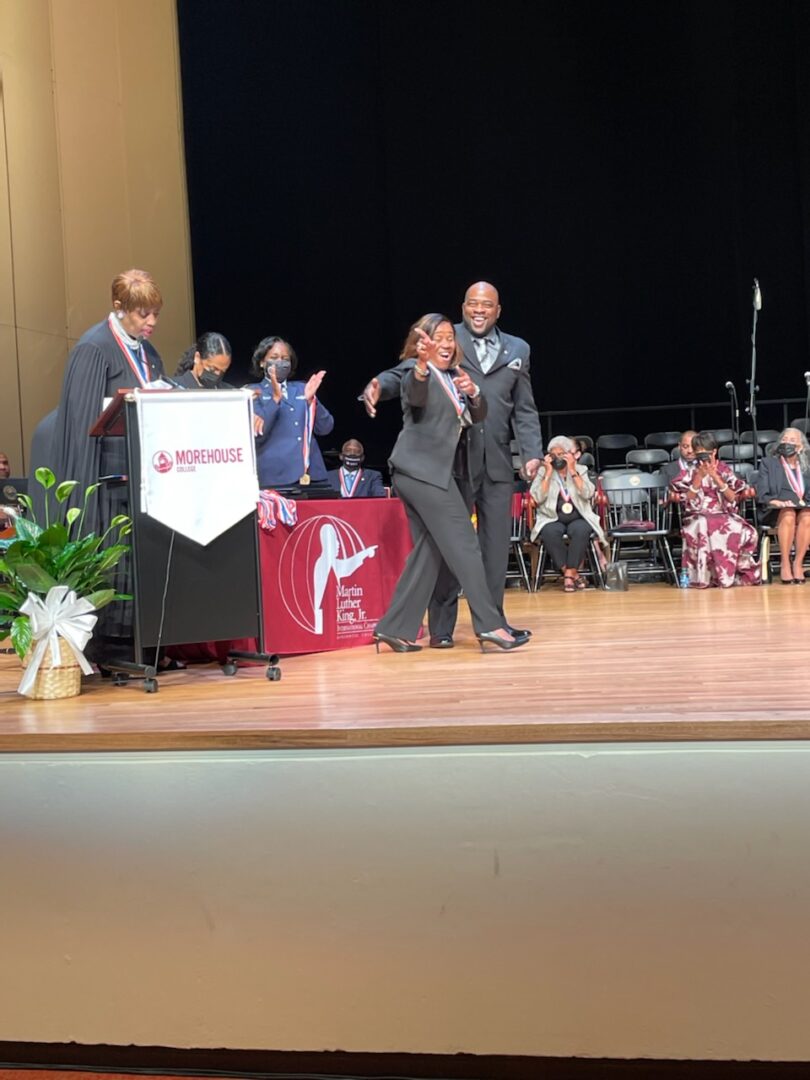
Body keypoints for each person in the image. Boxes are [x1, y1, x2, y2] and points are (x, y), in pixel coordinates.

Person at [363, 281, 542, 647]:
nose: (446, 343)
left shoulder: (509, 352)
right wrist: (376, 386)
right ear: (462, 308)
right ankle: (462, 628)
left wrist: (530, 451)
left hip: (484, 463)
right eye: (473, 304)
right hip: (442, 470)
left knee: (435, 548)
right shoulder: (432, 358)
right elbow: (405, 379)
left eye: (487, 304)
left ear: (498, 309)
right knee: (461, 546)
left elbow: (518, 409)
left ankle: (395, 628)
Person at [49, 268, 165, 659]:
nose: (150, 323)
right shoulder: (94, 348)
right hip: (106, 483)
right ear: (118, 307)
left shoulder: (147, 352)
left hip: (145, 477)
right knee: (114, 562)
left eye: (154, 314)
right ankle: (109, 646)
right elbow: (81, 427)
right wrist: (82, 499)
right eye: (141, 314)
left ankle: (145, 641)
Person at [670, 431, 760, 588]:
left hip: (724, 513)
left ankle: (732, 575)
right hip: (698, 515)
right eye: (699, 455)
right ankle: (705, 577)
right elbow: (687, 501)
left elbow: (733, 498)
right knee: (704, 524)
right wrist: (698, 479)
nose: (703, 459)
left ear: (714, 452)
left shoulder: (724, 470)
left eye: (706, 454)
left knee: (740, 528)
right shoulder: (689, 473)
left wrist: (716, 478)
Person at [246, 336, 334, 490]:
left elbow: (325, 428)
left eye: (285, 358)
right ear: (261, 362)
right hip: (276, 478)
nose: (280, 362)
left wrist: (311, 401)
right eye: (274, 357)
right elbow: (258, 435)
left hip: (312, 476)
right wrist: (275, 400)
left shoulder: (301, 388)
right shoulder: (252, 392)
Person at [530, 435, 606, 592]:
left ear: (569, 455)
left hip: (578, 516)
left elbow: (587, 493)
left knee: (582, 529)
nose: (557, 458)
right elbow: (538, 497)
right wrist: (548, 473)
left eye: (561, 454)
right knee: (549, 531)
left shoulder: (581, 470)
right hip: (551, 517)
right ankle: (571, 575)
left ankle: (569, 574)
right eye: (553, 455)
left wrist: (572, 470)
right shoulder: (543, 472)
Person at [755, 427, 810, 584]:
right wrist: (774, 501)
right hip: (775, 510)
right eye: (784, 440)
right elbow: (762, 491)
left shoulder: (807, 465)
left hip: (802, 507)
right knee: (788, 513)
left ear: (800, 447)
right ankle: (785, 563)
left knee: (807, 516)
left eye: (792, 441)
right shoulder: (768, 463)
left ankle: (798, 564)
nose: (787, 443)